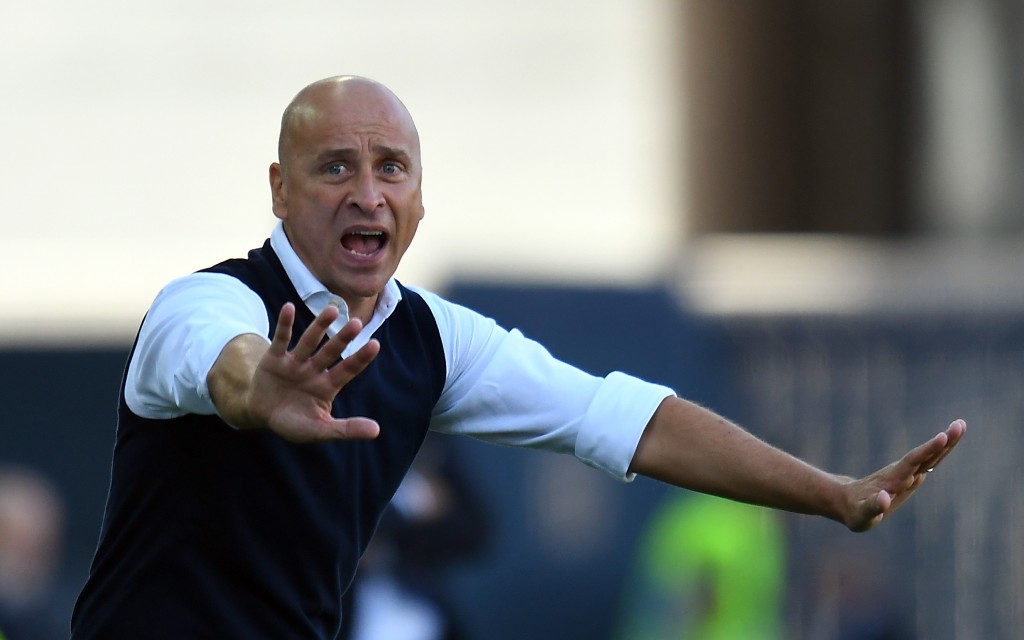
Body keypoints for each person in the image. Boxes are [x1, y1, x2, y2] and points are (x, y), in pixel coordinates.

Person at [69, 75, 966, 639]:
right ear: (279, 188)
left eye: (392, 168)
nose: (368, 193)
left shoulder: (435, 338)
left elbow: (626, 419)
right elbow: (221, 363)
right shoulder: (209, 302)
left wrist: (832, 494)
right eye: (335, 167)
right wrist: (263, 390)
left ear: (421, 197)